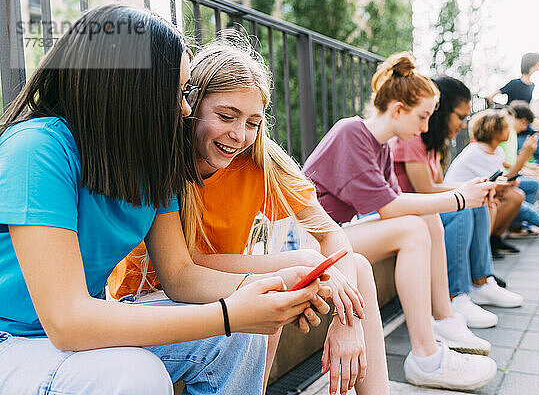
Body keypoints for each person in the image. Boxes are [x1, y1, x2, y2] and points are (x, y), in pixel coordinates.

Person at [0, 6, 329, 395]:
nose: (185, 108)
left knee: (242, 336)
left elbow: (180, 275)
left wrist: (262, 287)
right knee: (136, 374)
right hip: (16, 343)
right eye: (178, 92)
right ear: (133, 90)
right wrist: (227, 315)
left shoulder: (152, 161)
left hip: (79, 334)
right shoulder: (37, 150)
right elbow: (68, 321)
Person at [108, 32, 388, 395]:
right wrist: (289, 274)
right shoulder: (166, 160)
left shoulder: (258, 160)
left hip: (217, 285)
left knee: (355, 267)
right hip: (150, 296)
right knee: (287, 281)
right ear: (190, 106)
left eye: (253, 123)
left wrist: (347, 323)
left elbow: (330, 233)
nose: (240, 135)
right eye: (227, 116)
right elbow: (183, 269)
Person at [303, 52, 498, 391]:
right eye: (422, 117)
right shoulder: (351, 132)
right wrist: (460, 197)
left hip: (333, 235)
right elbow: (390, 208)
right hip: (308, 239)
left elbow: (398, 204)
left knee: (424, 219)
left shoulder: (379, 148)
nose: (425, 128)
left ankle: (443, 319)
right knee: (411, 229)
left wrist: (464, 193)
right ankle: (426, 356)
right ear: (397, 110)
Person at [390, 76, 523, 330]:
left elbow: (437, 186)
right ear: (442, 112)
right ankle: (455, 295)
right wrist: (471, 190)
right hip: (406, 210)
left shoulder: (432, 143)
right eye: (460, 117)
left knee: (476, 198)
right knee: (461, 207)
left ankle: (481, 282)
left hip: (418, 208)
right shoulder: (412, 138)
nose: (463, 124)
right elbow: (426, 190)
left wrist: (482, 186)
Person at [445, 109, 539, 242]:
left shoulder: (496, 150)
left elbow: (500, 180)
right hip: (467, 208)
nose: (510, 130)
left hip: (486, 201)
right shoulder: (477, 152)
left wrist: (511, 180)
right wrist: (523, 158)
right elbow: (494, 185)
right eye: (506, 127)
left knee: (522, 199)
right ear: (495, 130)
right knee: (522, 202)